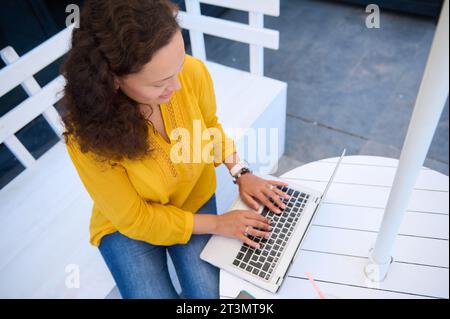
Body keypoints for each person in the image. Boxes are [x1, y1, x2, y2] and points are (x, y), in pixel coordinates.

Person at [61, 0, 289, 299]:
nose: (178, 87)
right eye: (160, 83)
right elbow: (137, 220)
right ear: (113, 80)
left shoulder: (191, 73)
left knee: (208, 296)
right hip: (131, 221)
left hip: (192, 198)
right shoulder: (86, 139)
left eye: (178, 68)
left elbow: (209, 126)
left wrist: (240, 171)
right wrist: (218, 224)